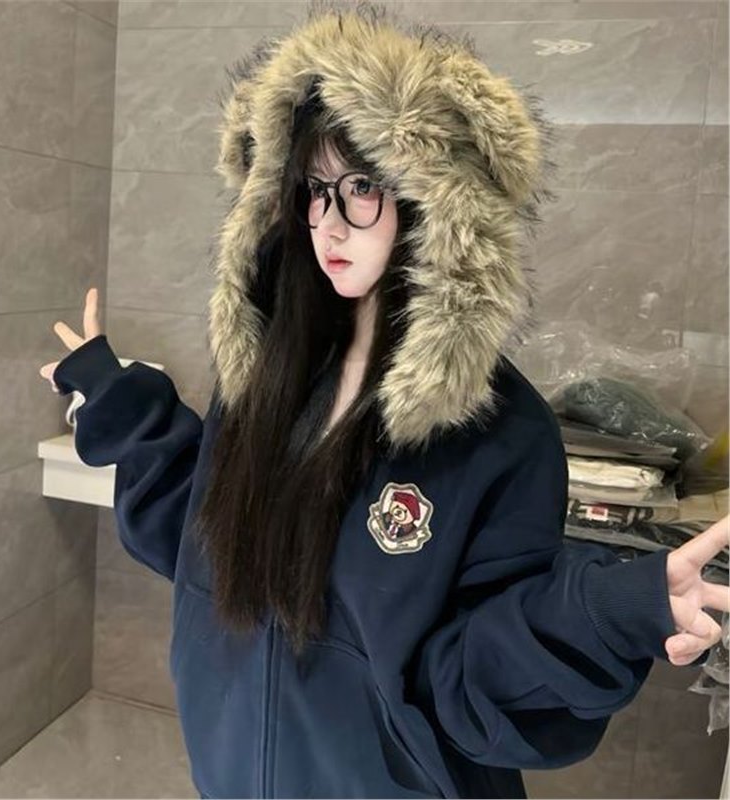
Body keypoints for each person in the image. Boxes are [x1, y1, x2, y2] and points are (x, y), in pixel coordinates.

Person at [38, 4, 729, 798]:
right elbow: (200, 546)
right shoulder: (267, 386)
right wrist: (122, 404)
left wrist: (605, 610)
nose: (328, 223)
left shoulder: (500, 435)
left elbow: (470, 676)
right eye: (312, 189)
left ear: (436, 204)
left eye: (362, 186)